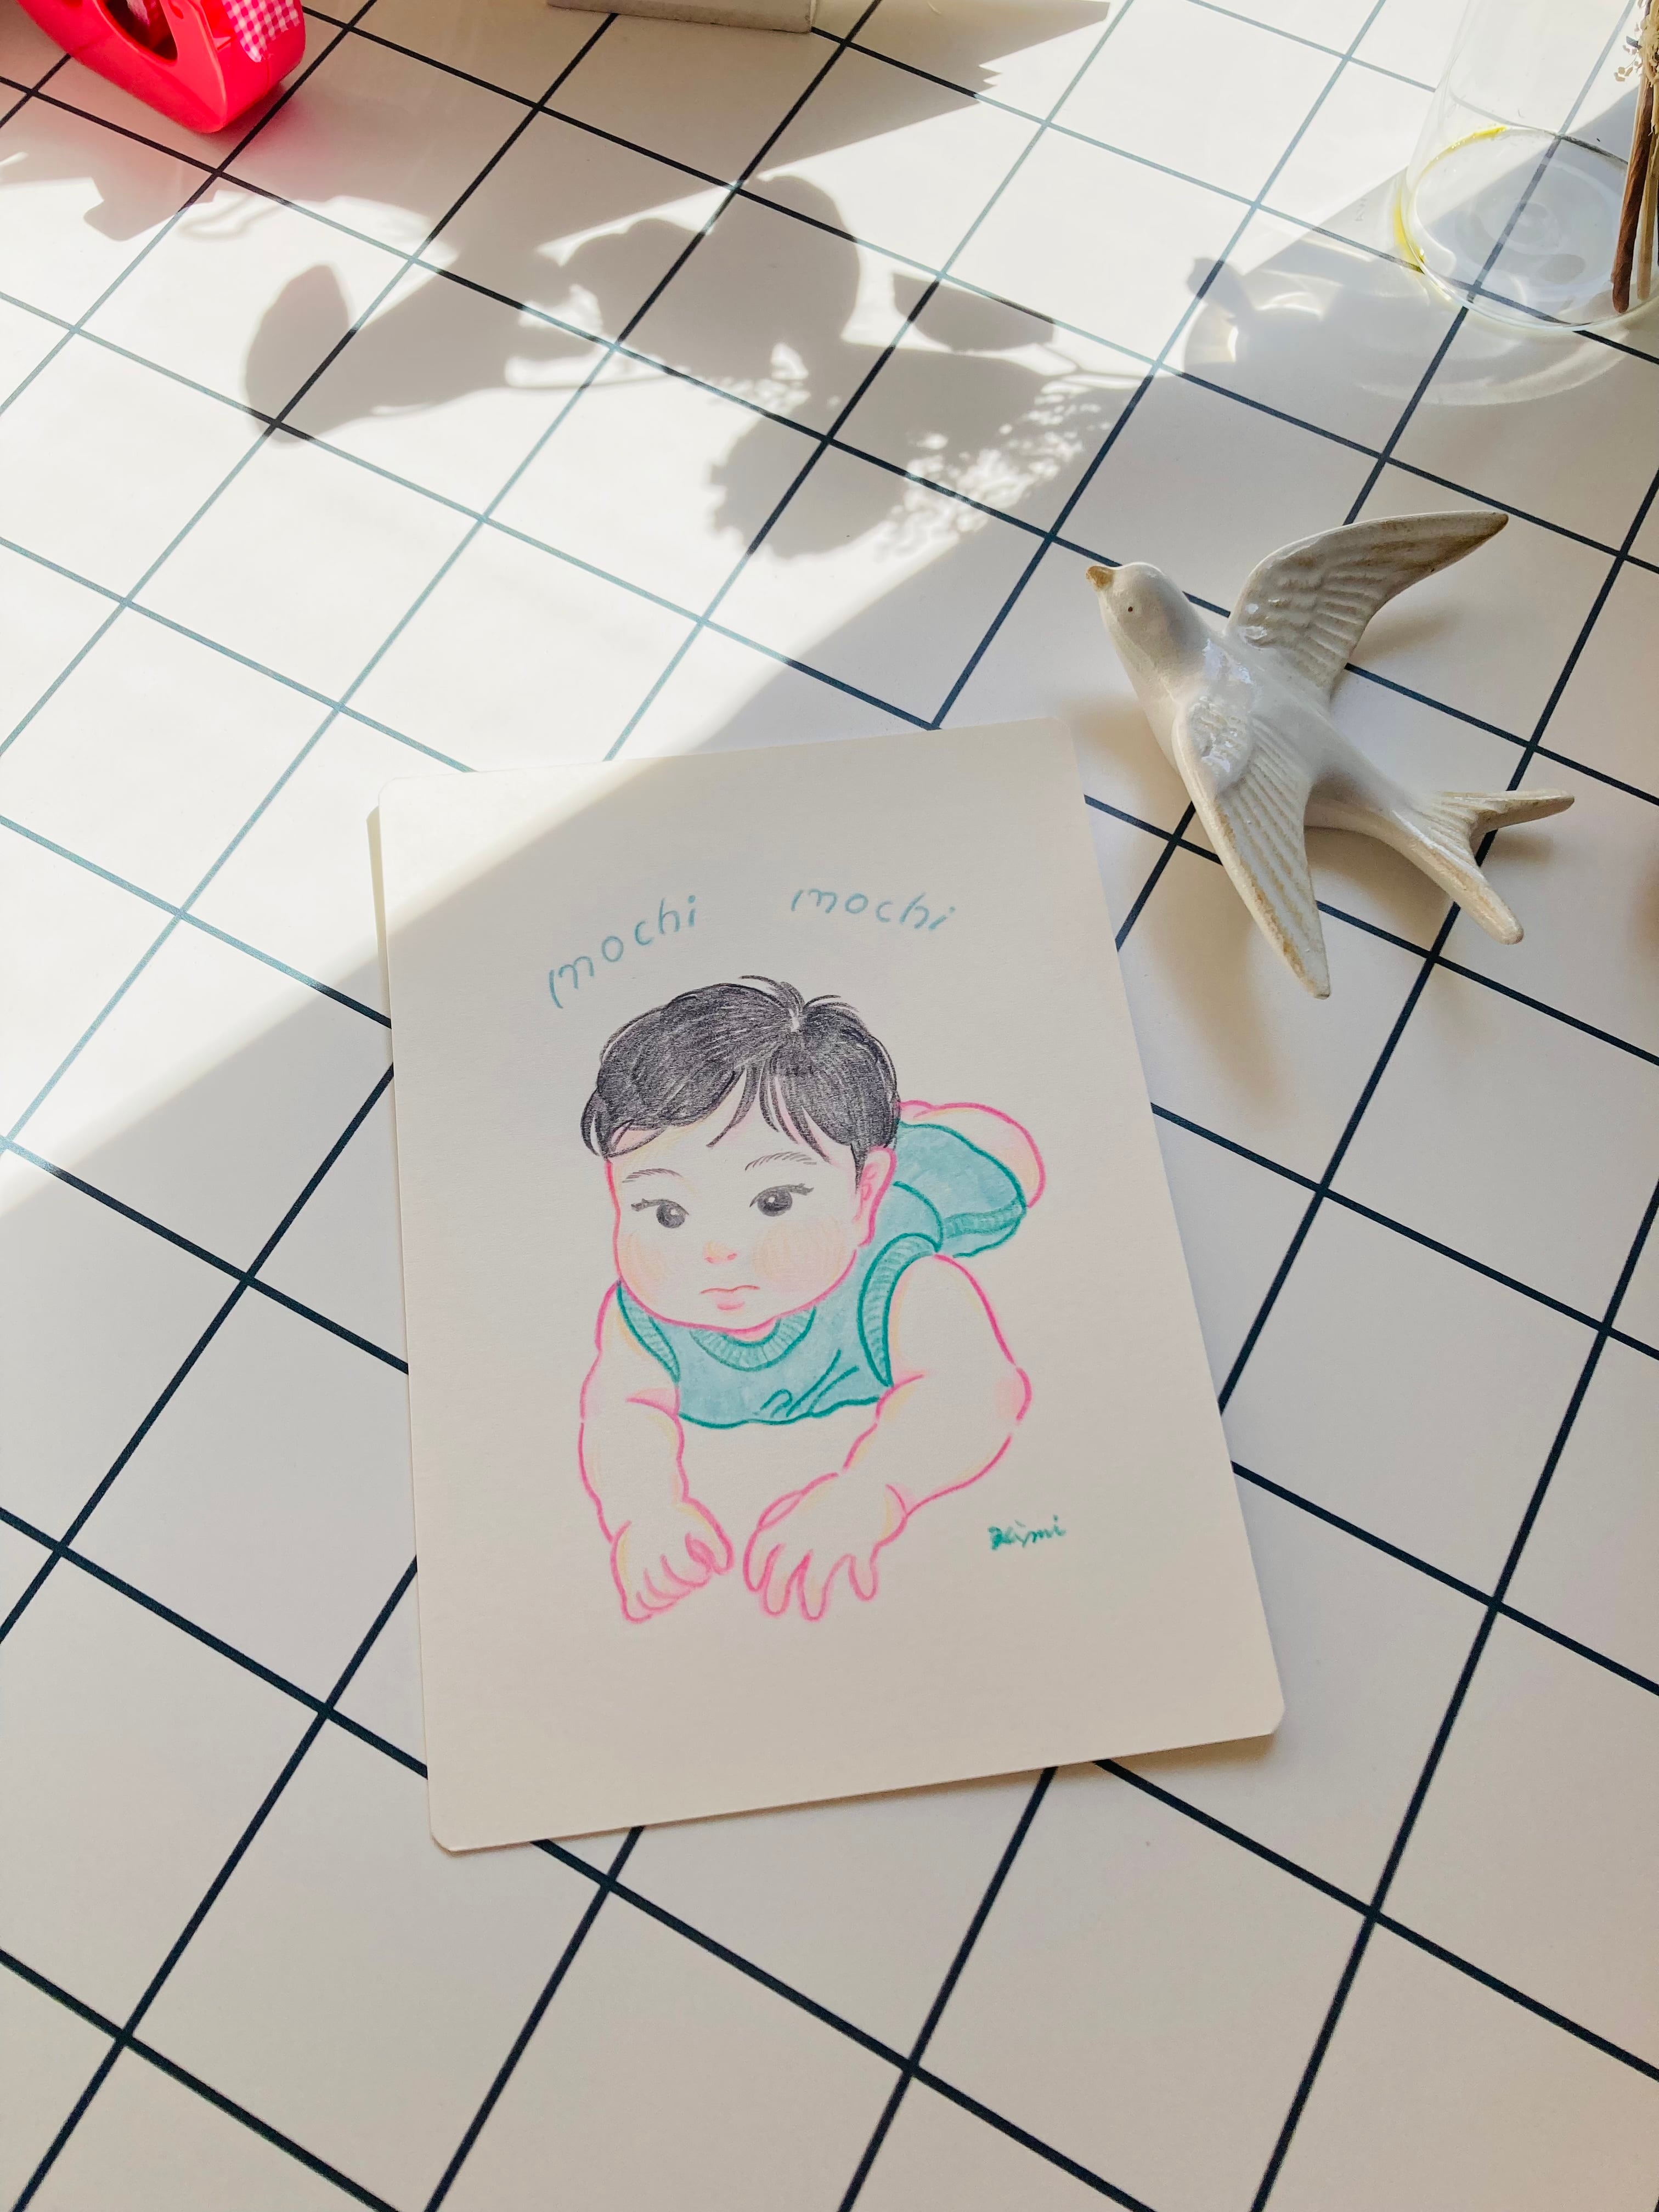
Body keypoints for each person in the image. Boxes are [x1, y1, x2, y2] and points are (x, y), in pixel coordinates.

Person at [577, 977, 1041, 1624]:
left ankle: (904, 1133)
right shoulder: (643, 1321)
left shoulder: (899, 1283)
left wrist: (869, 1496)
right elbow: (620, 1416)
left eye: (773, 1203)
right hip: (841, 1169)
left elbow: (976, 1389)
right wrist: (645, 1514)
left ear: (864, 1198)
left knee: (1007, 1158)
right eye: (666, 1212)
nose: (718, 1250)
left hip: (929, 1179)